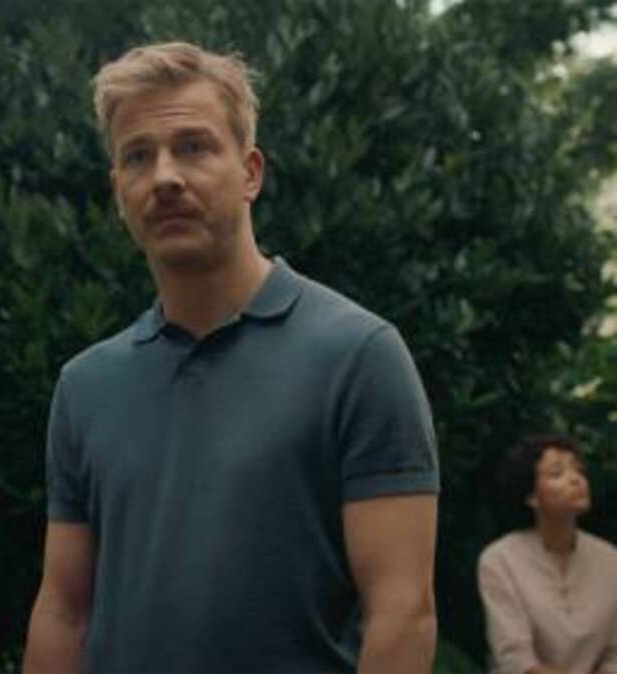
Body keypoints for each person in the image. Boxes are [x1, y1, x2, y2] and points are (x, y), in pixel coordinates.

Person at [23, 41, 440, 674]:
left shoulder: (358, 356)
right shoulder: (85, 386)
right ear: (118, 190)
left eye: (193, 147)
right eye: (138, 156)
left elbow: (402, 612)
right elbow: (63, 612)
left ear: (250, 173)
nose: (165, 177)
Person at [478, 434, 617, 674]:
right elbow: (515, 661)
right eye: (557, 473)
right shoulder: (500, 560)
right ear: (531, 496)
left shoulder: (610, 559)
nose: (575, 480)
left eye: (579, 471)